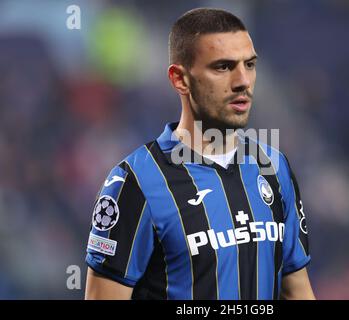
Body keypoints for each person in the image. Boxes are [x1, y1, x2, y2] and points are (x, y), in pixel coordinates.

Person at [85, 7, 315, 300]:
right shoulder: (135, 182)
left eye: (250, 64)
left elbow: (297, 291)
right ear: (180, 79)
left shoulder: (274, 167)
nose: (243, 80)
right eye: (222, 67)